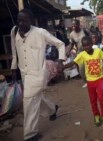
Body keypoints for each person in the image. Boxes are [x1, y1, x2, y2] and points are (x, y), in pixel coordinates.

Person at [10, 9, 65, 141]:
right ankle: (53, 108)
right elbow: (14, 52)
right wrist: (13, 68)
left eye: (24, 20)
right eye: (19, 20)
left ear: (31, 21)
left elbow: (60, 44)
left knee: (29, 102)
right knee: (36, 97)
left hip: (38, 74)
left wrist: (60, 60)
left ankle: (30, 134)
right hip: (24, 73)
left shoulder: (40, 33)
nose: (20, 23)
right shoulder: (14, 31)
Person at [61, 36, 103, 129]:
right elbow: (73, 63)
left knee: (102, 99)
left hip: (100, 79)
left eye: (88, 45)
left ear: (92, 44)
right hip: (90, 82)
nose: (86, 47)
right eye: (84, 46)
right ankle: (96, 117)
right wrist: (63, 67)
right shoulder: (82, 54)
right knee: (93, 101)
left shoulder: (98, 51)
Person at [68, 19, 87, 88]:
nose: (73, 26)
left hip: (88, 51)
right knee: (81, 68)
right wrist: (68, 51)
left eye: (75, 25)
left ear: (79, 24)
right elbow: (71, 44)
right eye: (72, 25)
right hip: (79, 52)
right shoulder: (71, 34)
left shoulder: (84, 31)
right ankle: (86, 81)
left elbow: (91, 38)